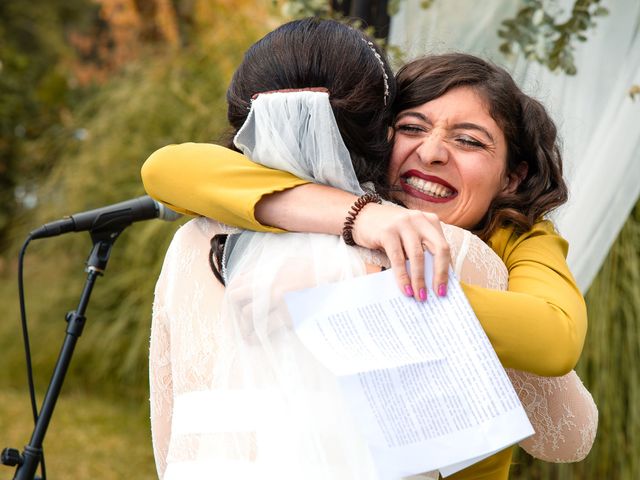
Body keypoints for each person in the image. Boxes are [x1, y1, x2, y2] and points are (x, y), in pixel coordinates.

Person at [146, 20, 595, 480]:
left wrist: (370, 283)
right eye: (412, 127)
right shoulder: (355, 205)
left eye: (468, 140)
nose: (432, 152)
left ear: (512, 177)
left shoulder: (517, 239)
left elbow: (554, 337)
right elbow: (167, 168)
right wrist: (363, 217)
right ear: (381, 138)